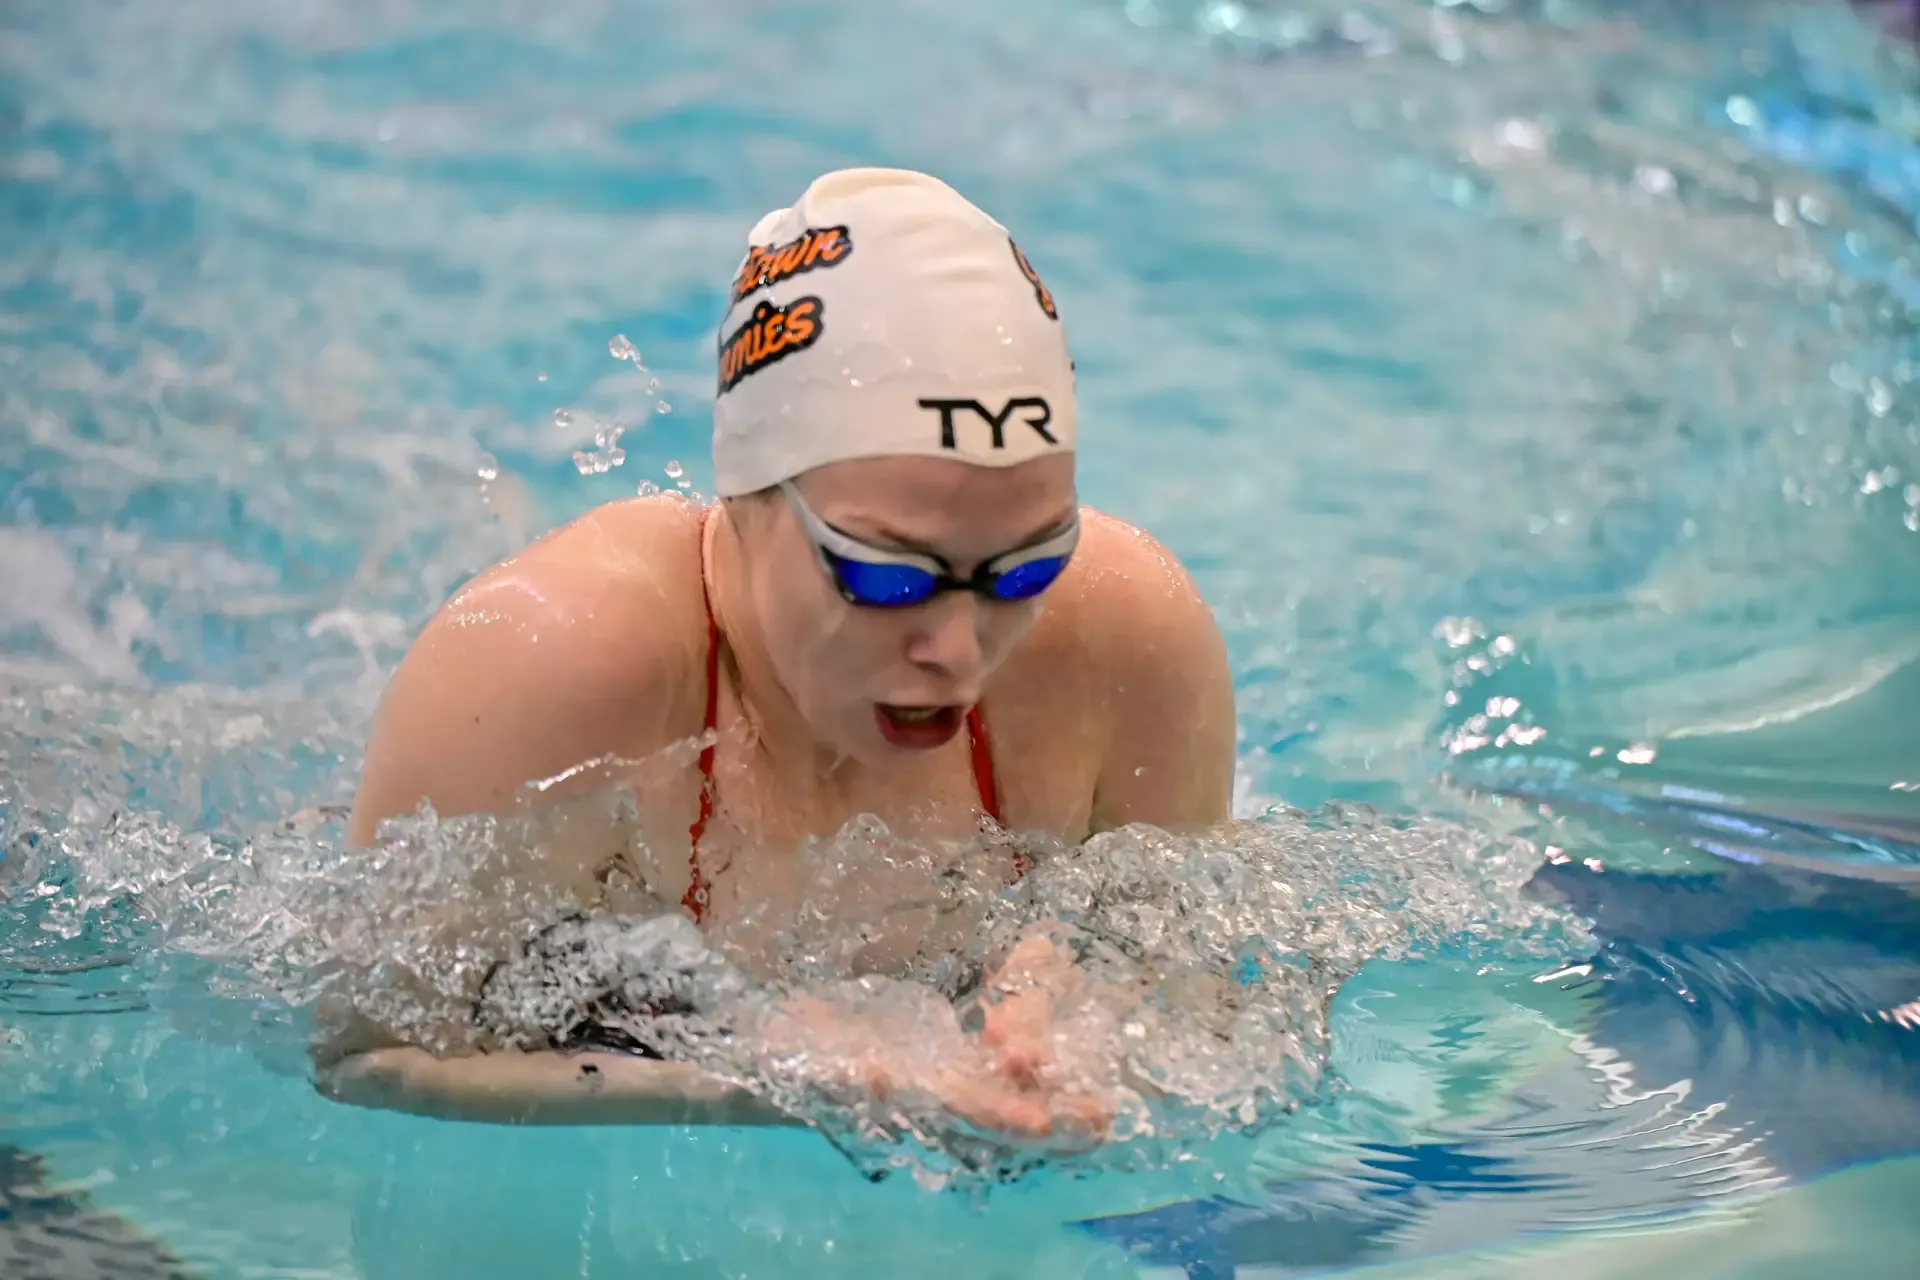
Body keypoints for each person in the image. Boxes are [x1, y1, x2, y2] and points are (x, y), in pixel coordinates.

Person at [319, 167, 1236, 1140]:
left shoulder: (1128, 636)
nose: (959, 651)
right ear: (748, 494)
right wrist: (770, 1081)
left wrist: (1103, 1018)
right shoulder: (551, 669)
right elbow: (363, 1057)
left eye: (1021, 570)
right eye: (887, 577)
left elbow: (1218, 1015)